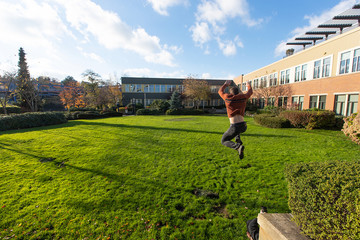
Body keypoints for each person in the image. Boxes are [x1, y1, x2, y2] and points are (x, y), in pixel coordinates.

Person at [218, 80, 253, 159]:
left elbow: (220, 91)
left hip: (235, 126)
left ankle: (238, 147)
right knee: (237, 131)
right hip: (244, 126)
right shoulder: (243, 97)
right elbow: (250, 92)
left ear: (230, 93)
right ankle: (238, 140)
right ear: (238, 92)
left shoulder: (228, 98)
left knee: (223, 141)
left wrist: (225, 84)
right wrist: (248, 85)